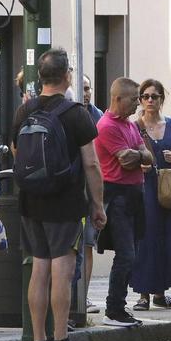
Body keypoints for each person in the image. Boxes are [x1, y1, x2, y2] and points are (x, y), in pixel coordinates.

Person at [10, 49, 105, 341]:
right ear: (67, 76)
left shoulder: (23, 112)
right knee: (61, 269)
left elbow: (16, 153)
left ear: (41, 77)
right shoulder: (75, 114)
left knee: (39, 266)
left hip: (30, 200)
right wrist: (98, 204)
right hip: (64, 201)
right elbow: (91, 164)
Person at [95, 77, 153, 328]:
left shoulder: (130, 125)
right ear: (117, 99)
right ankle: (114, 309)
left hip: (134, 195)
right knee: (126, 254)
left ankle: (119, 307)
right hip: (116, 195)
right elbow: (126, 160)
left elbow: (147, 157)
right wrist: (138, 155)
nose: (138, 104)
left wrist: (138, 155)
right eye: (133, 99)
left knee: (133, 253)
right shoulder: (107, 125)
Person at [132, 79, 171, 311]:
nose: (149, 100)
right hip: (145, 188)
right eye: (145, 96)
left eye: (154, 96)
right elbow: (125, 158)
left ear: (161, 99)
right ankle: (143, 295)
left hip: (170, 190)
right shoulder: (135, 127)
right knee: (147, 239)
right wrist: (140, 165)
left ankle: (161, 293)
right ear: (140, 100)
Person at [73, 74, 103, 318]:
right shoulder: (69, 112)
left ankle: (83, 294)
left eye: (88, 88)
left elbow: (97, 159)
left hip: (89, 190)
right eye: (81, 88)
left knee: (88, 244)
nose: (85, 93)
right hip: (72, 189)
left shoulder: (97, 116)